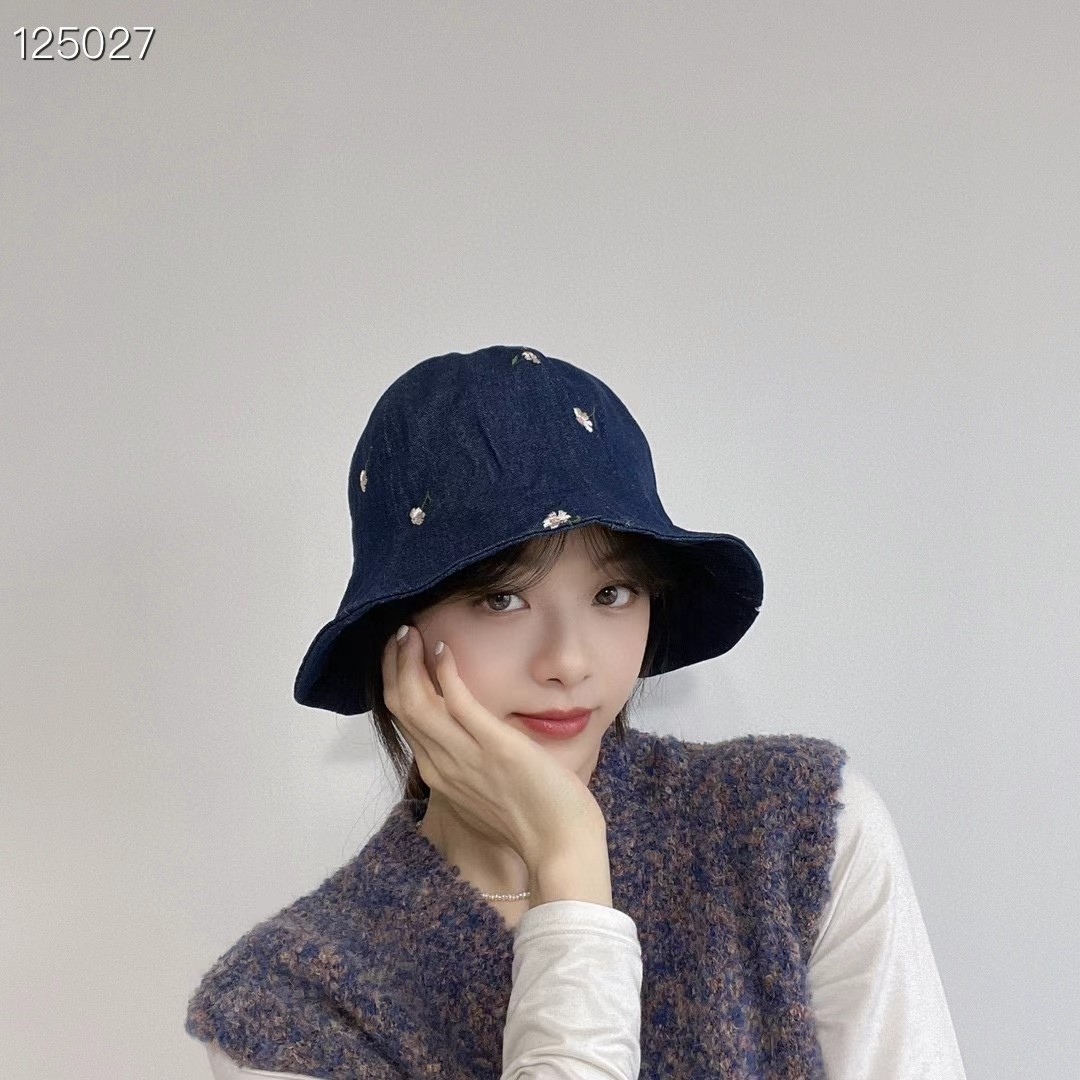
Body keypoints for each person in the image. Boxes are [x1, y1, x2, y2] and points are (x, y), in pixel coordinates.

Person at [185, 345, 967, 1078]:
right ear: (397, 634)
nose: (570, 660)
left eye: (612, 593)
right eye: (502, 598)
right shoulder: (290, 1005)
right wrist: (569, 862)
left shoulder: (798, 827)